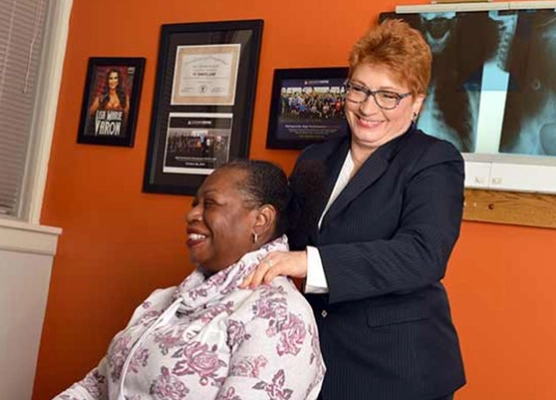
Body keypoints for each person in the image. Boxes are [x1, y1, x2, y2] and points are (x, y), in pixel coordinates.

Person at [242, 19, 466, 400]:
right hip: (314, 363)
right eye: (359, 89)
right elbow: (284, 236)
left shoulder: (434, 160)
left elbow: (422, 255)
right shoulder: (316, 158)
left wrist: (309, 264)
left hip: (399, 372)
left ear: (416, 104)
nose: (367, 107)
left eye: (388, 96)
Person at [54, 160, 325, 400]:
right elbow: (97, 385)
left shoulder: (281, 317)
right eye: (195, 204)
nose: (191, 214)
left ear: (261, 220)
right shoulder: (163, 301)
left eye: (209, 204)